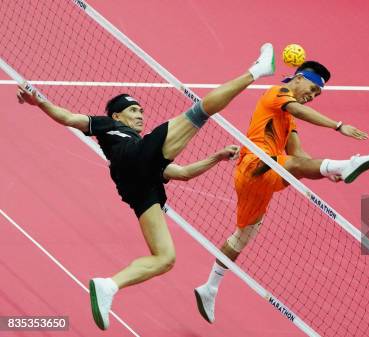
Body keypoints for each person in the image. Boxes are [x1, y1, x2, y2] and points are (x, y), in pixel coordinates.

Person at [16, 43, 276, 330]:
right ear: (117, 116)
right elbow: (67, 117)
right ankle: (256, 71)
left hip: (139, 187)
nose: (140, 114)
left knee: (165, 258)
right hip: (131, 160)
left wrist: (216, 157)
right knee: (199, 112)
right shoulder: (107, 126)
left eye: (141, 110)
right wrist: (39, 101)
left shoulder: (149, 148)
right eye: (132, 110)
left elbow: (183, 173)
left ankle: (109, 285)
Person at [194, 60, 369, 323]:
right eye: (313, 88)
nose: (312, 96)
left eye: (317, 94)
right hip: (255, 165)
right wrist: (338, 126)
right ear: (298, 78)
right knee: (294, 166)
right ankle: (347, 163)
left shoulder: (288, 118)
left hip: (266, 177)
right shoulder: (276, 93)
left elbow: (299, 155)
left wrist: (328, 173)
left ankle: (210, 287)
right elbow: (297, 128)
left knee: (243, 236)